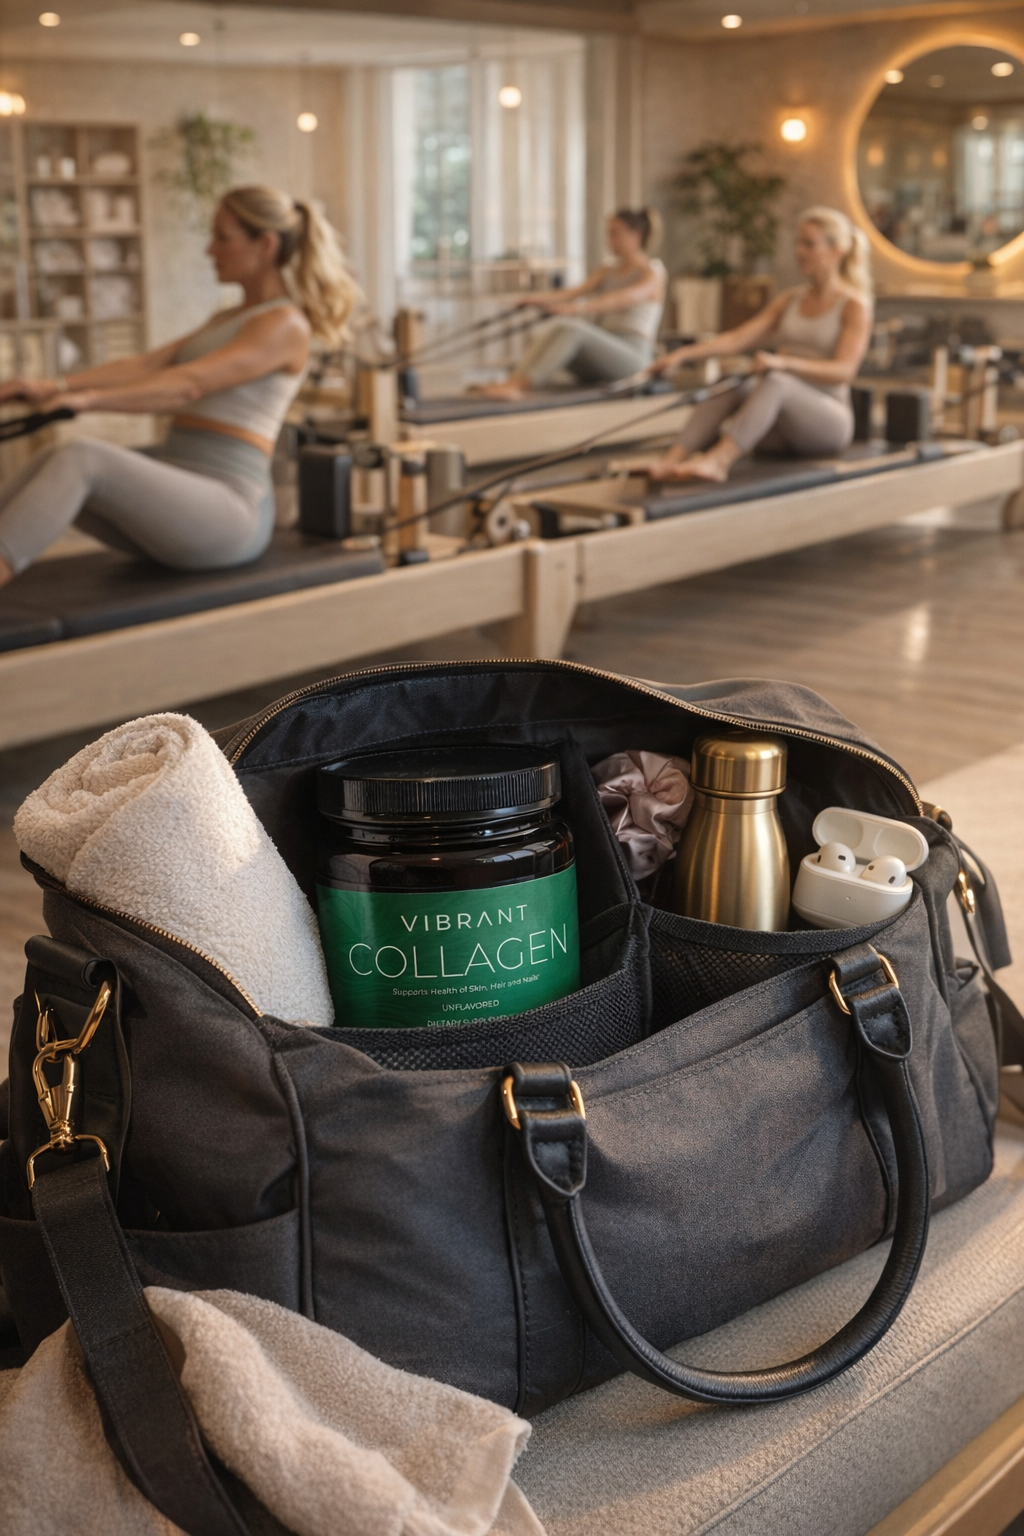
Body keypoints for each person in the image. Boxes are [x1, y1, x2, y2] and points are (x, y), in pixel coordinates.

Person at [0, 184, 357, 587]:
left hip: (229, 511)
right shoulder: (228, 318)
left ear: (265, 245)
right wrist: (51, 385)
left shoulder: (285, 324)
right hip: (185, 494)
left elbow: (189, 384)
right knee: (52, 461)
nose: (210, 250)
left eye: (222, 238)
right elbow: (148, 364)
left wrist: (85, 400)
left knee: (81, 458)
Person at [645, 207, 873, 483]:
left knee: (777, 381)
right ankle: (672, 458)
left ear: (836, 251)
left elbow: (844, 371)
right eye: (798, 243)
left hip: (827, 421)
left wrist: (783, 362)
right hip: (778, 428)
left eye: (809, 244)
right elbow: (737, 338)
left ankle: (719, 461)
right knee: (733, 378)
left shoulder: (854, 306)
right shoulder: (790, 300)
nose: (799, 251)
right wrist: (681, 355)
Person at [480, 208, 666, 400]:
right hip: (603, 354)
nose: (609, 240)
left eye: (615, 233)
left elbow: (622, 299)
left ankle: (519, 387)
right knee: (555, 328)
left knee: (573, 329)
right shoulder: (608, 270)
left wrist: (577, 309)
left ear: (636, 235)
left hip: (634, 360)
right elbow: (573, 293)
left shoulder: (652, 273)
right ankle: (513, 381)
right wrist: (535, 300)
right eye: (608, 234)